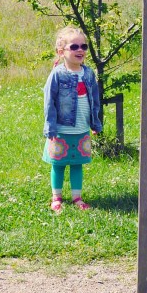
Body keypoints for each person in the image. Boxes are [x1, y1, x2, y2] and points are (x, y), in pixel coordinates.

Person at [42, 26, 102, 212]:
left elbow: (95, 100)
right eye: (74, 47)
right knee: (58, 165)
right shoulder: (57, 74)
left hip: (81, 129)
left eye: (83, 46)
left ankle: (77, 197)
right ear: (61, 52)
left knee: (77, 164)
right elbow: (49, 101)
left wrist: (95, 122)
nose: (80, 50)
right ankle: (56, 197)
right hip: (60, 130)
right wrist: (50, 127)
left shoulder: (88, 73)